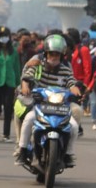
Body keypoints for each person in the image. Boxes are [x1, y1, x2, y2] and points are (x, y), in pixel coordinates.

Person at [14, 34, 81, 167]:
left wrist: (76, 90)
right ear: (46, 54)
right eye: (51, 54)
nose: (54, 57)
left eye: (57, 54)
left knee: (73, 126)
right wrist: (26, 87)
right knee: (28, 119)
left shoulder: (66, 71)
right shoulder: (37, 65)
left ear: (62, 56)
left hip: (61, 108)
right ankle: (21, 150)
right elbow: (27, 77)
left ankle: (68, 154)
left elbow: (72, 83)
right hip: (40, 106)